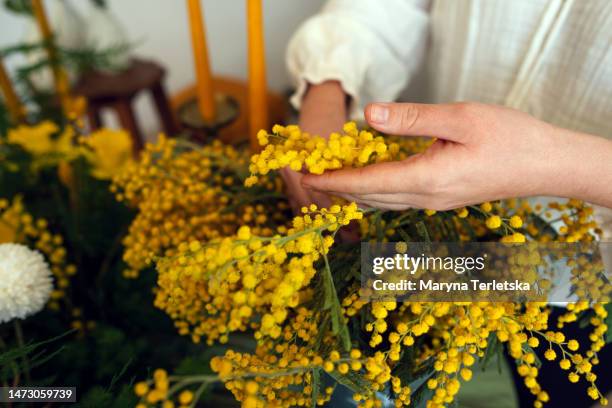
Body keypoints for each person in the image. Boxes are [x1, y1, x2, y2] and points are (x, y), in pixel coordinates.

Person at [282, 0, 612, 229]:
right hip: (427, 214)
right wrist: (329, 87)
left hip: (593, 266)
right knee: (373, 288)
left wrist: (548, 163)